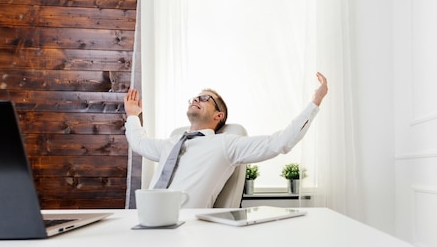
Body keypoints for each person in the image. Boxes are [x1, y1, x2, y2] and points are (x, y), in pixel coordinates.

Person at [124, 72, 328, 208]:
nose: (196, 99)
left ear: (218, 116)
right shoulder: (170, 144)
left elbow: (279, 142)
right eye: (195, 97)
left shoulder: (226, 144)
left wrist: (315, 103)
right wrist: (133, 115)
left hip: (186, 229)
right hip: (146, 221)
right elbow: (139, 142)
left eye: (205, 99)